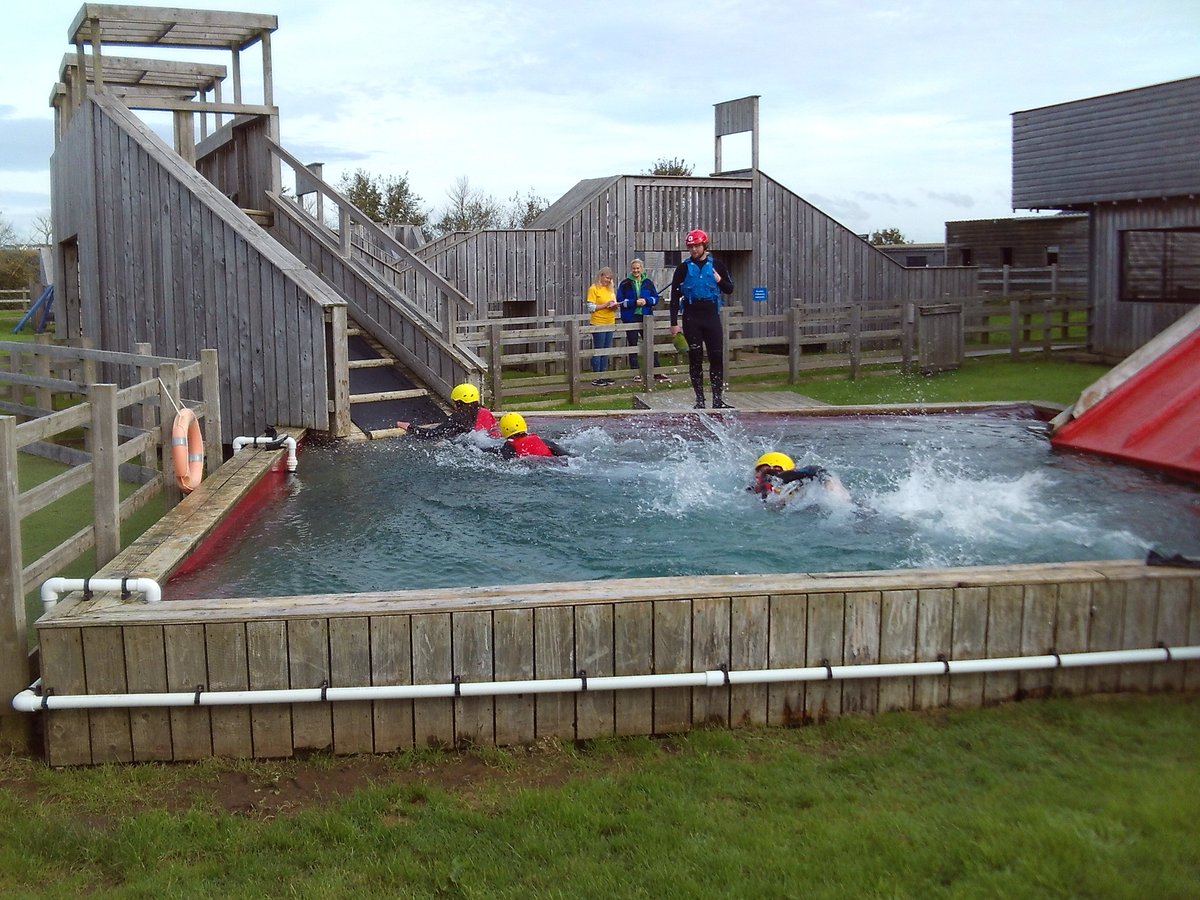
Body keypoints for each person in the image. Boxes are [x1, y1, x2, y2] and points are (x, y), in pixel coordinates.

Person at [669, 228, 736, 409]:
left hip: (711, 316)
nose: (694, 250)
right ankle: (700, 400)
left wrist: (719, 279)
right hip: (691, 317)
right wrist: (674, 323)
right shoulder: (683, 268)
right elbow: (674, 297)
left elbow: (729, 289)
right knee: (695, 357)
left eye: (697, 246)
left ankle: (717, 399)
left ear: (704, 245)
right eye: (690, 247)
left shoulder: (717, 265)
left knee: (716, 356)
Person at [616, 259, 667, 381]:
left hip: (646, 316)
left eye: (638, 268)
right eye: (634, 268)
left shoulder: (648, 283)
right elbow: (620, 301)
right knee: (633, 344)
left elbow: (655, 298)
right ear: (631, 269)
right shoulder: (624, 284)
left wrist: (646, 301)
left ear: (642, 269)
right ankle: (636, 372)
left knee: (650, 343)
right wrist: (634, 302)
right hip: (631, 317)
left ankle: (656, 371)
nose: (636, 270)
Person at [397, 382, 498, 440]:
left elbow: (432, 434)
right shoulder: (486, 412)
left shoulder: (458, 417)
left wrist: (409, 427)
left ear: (458, 402)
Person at [749, 452, 850, 503]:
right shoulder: (753, 491)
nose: (769, 477)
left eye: (773, 473)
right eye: (762, 472)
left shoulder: (800, 487)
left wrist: (827, 482)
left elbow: (815, 470)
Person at [586, 267, 619, 385]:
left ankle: (604, 374)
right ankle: (597, 376)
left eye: (610, 279)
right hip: (598, 322)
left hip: (610, 321)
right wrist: (605, 305)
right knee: (599, 349)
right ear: (601, 276)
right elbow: (591, 308)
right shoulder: (594, 289)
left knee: (606, 349)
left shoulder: (610, 290)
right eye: (607, 278)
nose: (608, 280)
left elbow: (613, 303)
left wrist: (615, 306)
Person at [489, 412, 570, 458]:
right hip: (554, 464)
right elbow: (567, 455)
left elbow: (498, 454)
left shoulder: (509, 446)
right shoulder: (542, 441)